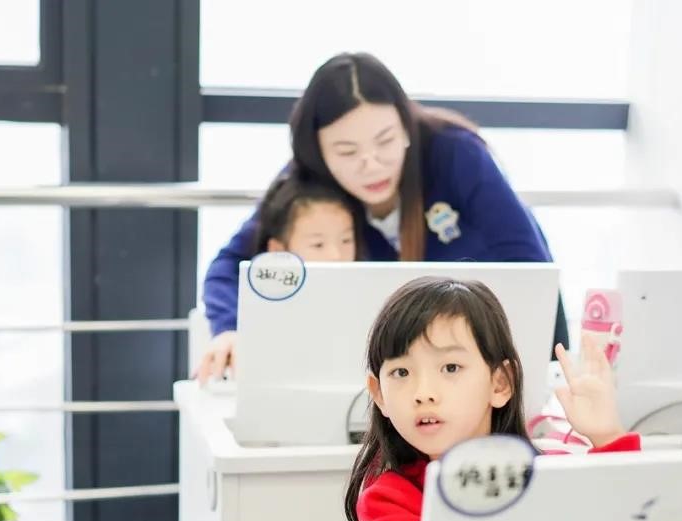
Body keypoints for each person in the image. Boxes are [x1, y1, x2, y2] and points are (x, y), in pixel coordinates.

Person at [200, 52, 568, 380]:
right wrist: (229, 329)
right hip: (389, 368)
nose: (371, 165)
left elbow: (531, 268)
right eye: (347, 151)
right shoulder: (307, 182)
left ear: (406, 127)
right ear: (318, 153)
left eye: (386, 141)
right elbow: (231, 265)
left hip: (487, 352)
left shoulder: (455, 154)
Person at [344, 277, 640, 521]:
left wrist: (607, 436)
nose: (423, 393)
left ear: (500, 384)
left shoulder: (547, 476)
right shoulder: (389, 497)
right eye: (401, 373)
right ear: (379, 395)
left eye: (450, 367)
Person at [195, 172, 358, 382]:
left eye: (346, 240)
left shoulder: (362, 296)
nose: (336, 255)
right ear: (278, 250)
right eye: (318, 245)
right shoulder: (259, 310)